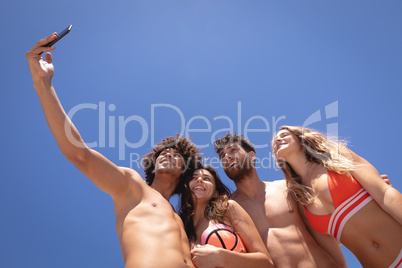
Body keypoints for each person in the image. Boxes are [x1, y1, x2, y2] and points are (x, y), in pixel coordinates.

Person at [26, 33, 201, 268]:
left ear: (185, 171)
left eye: (176, 155)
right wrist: (43, 84)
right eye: (163, 153)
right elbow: (79, 154)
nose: (168, 154)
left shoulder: (181, 220)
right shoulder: (132, 186)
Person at [272, 126, 402, 267]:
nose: (278, 139)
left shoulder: (336, 156)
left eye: (284, 135)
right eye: (274, 142)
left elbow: (385, 194)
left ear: (301, 139)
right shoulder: (300, 200)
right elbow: (332, 254)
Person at [214, 133, 346, 267]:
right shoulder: (227, 210)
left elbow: (320, 233)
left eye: (233, 150)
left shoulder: (287, 188)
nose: (227, 157)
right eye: (222, 156)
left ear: (252, 156)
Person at [179, 165, 274, 268]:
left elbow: (266, 263)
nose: (200, 180)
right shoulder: (181, 229)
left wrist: (222, 258)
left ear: (215, 193)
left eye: (207, 178)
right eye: (194, 178)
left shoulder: (228, 209)